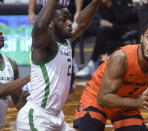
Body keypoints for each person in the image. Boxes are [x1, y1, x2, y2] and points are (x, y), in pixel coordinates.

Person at [17, 0, 102, 130]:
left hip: (57, 117)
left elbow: (81, 23)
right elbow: (39, 26)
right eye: (63, 20)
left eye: (69, 18)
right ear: (51, 24)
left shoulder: (66, 41)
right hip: (37, 118)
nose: (69, 23)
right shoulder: (44, 45)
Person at [73, 22, 148, 131]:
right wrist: (137, 102)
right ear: (142, 39)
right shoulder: (121, 57)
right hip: (96, 99)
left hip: (126, 104)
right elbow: (102, 99)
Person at [0, 32, 30, 130]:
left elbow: (17, 100)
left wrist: (26, 102)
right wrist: (30, 77)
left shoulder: (11, 64)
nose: (1, 33)